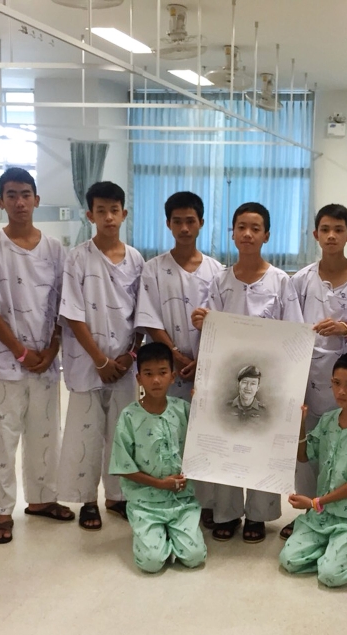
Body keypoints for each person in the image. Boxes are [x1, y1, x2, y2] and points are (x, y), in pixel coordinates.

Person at [191, 202, 305, 543]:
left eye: (255, 228)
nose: (247, 234)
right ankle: (226, 511)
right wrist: (202, 323)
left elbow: (295, 333)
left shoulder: (281, 282)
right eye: (241, 227)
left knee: (261, 442)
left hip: (269, 379)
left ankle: (258, 513)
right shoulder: (220, 281)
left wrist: (291, 386)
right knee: (228, 441)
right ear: (232, 232)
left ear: (266, 235)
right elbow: (211, 338)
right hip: (229, 377)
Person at [0, 167, 71, 545]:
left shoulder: (55, 249)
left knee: (45, 432)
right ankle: (0, 510)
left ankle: (43, 499)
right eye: (11, 195)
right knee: (1, 434)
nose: (19, 202)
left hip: (46, 358)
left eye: (25, 194)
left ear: (37, 200)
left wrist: (51, 349)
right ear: (0, 202)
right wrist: (19, 351)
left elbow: (64, 303)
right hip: (5, 359)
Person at [280, 204, 347, 543]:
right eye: (325, 229)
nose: (331, 235)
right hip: (307, 376)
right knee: (306, 446)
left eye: (339, 229)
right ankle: (309, 511)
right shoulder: (301, 280)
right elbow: (290, 328)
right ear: (315, 234)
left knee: (346, 451)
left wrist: (346, 328)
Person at [135, 191, 225, 528]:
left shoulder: (217, 271)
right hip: (167, 371)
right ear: (168, 224)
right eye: (178, 221)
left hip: (207, 370)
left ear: (201, 223)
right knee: (168, 436)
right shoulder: (153, 269)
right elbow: (149, 318)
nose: (184, 228)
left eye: (191, 221)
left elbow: (222, 322)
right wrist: (174, 357)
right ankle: (170, 499)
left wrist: (201, 361)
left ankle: (208, 504)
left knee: (204, 437)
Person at [58, 180, 144, 531]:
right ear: (90, 214)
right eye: (101, 211)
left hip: (125, 365)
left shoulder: (136, 259)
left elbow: (142, 314)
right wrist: (100, 360)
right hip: (88, 364)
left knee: (121, 432)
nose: (109, 217)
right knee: (87, 433)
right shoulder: (77, 258)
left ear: (124, 213)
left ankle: (117, 497)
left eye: (115, 210)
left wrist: (128, 356)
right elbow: (73, 314)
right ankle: (87, 500)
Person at [279, 352, 347, 588]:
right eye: (336, 383)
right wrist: (300, 423)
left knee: (332, 576)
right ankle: (333, 546)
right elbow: (304, 456)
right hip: (323, 515)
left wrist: (314, 503)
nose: (341, 392)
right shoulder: (328, 421)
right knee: (289, 561)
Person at [108, 342, 207, 573]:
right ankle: (152, 535)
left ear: (172, 377)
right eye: (148, 374)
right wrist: (159, 484)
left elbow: (207, 438)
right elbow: (123, 466)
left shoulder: (183, 409)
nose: (155, 380)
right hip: (146, 504)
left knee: (195, 558)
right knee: (151, 563)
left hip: (182, 502)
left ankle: (173, 535)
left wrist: (203, 405)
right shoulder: (129, 417)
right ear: (138, 378)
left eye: (162, 373)